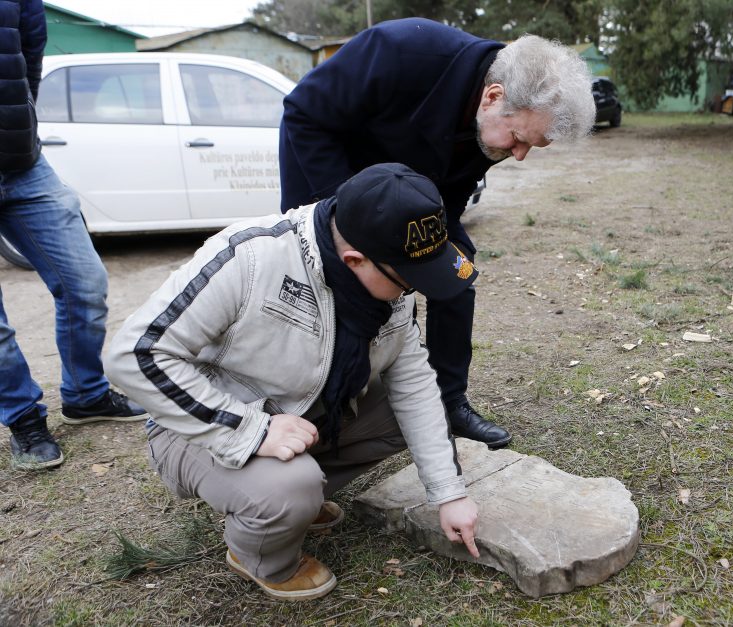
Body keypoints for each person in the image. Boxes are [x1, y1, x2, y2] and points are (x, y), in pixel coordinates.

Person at [106, 163, 481, 601]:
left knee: (406, 418)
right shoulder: (249, 257)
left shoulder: (385, 277)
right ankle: (264, 553)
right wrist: (252, 429)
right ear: (354, 261)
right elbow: (132, 355)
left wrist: (448, 494)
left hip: (297, 412)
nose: (411, 292)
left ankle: (291, 495)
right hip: (194, 427)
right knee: (289, 490)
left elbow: (413, 383)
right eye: (407, 280)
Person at [280, 18, 595, 450]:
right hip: (330, 168)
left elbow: (459, 178)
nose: (518, 156)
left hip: (406, 185)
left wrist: (439, 243)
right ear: (493, 96)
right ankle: (315, 404)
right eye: (519, 140)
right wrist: (346, 216)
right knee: (340, 282)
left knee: (456, 271)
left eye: (530, 147)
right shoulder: (403, 52)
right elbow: (304, 113)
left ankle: (448, 403)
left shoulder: (498, 119)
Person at [0, 0, 145, 471]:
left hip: (23, 164)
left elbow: (30, 52)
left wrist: (19, 119)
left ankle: (86, 394)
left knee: (85, 284)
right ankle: (23, 417)